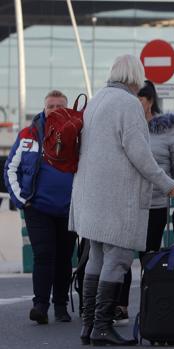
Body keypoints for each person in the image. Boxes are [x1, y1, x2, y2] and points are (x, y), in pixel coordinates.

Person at [69, 54, 174, 346]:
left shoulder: (97, 100)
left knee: (96, 256)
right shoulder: (128, 104)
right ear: (136, 76)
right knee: (119, 258)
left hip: (90, 195)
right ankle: (102, 326)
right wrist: (169, 184)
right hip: (117, 197)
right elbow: (139, 154)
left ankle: (88, 326)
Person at [114, 80, 174, 325]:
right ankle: (120, 305)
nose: (134, 104)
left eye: (138, 98)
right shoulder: (125, 125)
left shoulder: (166, 130)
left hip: (155, 203)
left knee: (149, 257)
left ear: (148, 100)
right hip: (126, 202)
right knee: (123, 255)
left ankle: (151, 303)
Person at [3, 90, 77, 324]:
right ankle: (41, 306)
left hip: (69, 210)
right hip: (38, 208)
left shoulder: (79, 135)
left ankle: (61, 306)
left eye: (59, 106)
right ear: (44, 109)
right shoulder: (28, 135)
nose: (54, 109)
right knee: (44, 256)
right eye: (50, 106)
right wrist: (21, 200)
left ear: (67, 109)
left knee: (65, 259)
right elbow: (10, 169)